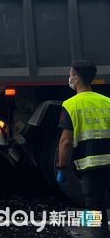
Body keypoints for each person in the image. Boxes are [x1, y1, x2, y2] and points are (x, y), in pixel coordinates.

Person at [57, 60, 110, 238]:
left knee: (94, 212)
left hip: (90, 168)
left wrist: (61, 168)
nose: (70, 77)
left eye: (71, 74)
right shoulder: (107, 101)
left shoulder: (70, 105)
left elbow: (65, 141)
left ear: (77, 78)